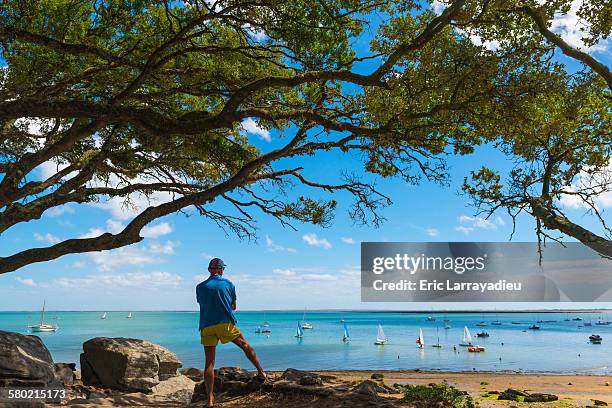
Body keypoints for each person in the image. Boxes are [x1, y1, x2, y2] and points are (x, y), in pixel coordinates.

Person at [196, 258, 266, 407]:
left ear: (209, 270)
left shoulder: (199, 287)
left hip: (206, 326)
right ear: (221, 270)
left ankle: (210, 399)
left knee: (209, 363)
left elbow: (202, 303)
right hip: (225, 324)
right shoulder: (228, 284)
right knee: (245, 345)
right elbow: (233, 307)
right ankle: (261, 372)